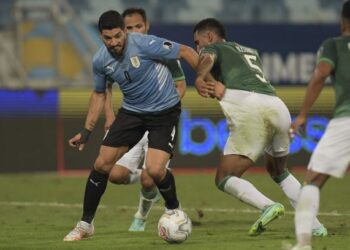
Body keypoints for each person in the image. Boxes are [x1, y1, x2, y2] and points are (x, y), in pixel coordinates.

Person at [63, 10, 198, 241]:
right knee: (102, 163)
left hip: (164, 112)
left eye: (118, 36)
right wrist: (86, 131)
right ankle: (85, 224)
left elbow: (185, 51)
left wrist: (205, 78)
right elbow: (98, 94)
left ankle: (173, 209)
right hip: (132, 113)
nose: (114, 42)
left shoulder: (145, 44)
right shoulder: (100, 61)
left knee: (155, 170)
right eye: (108, 38)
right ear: (101, 36)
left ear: (124, 31)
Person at [192, 18, 327, 236]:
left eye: (197, 42)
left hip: (249, 107)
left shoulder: (211, 48)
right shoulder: (249, 51)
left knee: (224, 177)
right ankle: (316, 226)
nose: (198, 48)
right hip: (277, 105)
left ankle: (268, 206)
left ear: (208, 36)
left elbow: (207, 56)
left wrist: (199, 77)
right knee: (279, 170)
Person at [105, 7, 187, 232]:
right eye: (129, 28)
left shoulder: (162, 50)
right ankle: (152, 175)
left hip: (160, 120)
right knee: (115, 174)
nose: (135, 31)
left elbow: (180, 85)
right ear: (123, 30)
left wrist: (164, 106)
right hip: (134, 120)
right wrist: (109, 113)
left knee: (149, 179)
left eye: (138, 26)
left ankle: (141, 215)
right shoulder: (118, 53)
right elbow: (106, 84)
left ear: (147, 26)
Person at [290, 1, 350, 249]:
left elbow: (321, 73)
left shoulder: (334, 45)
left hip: (347, 120)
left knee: (313, 180)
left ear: (343, 21)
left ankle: (303, 243)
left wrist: (303, 114)